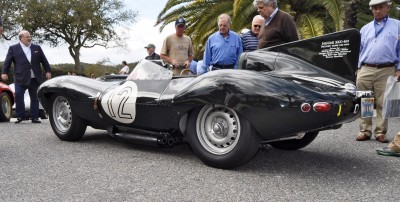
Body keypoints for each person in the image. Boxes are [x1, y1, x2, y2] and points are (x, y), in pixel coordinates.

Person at [355, 0, 400, 143]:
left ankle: (380, 132)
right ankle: (365, 130)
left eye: (380, 7)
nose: (377, 11)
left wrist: (399, 69)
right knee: (365, 100)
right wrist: (357, 68)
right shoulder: (365, 28)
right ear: (371, 10)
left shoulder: (397, 25)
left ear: (387, 8)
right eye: (374, 8)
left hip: (387, 68)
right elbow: (359, 50)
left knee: (383, 102)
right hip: (366, 68)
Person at [1, 30, 52, 123]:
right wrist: (4, 72)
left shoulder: (37, 48)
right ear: (21, 38)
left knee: (35, 98)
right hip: (21, 77)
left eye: (30, 36)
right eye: (27, 37)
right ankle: (20, 116)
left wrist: (48, 70)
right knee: (19, 97)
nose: (30, 38)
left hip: (35, 78)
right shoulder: (13, 48)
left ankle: (35, 117)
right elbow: (7, 61)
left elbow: (44, 60)